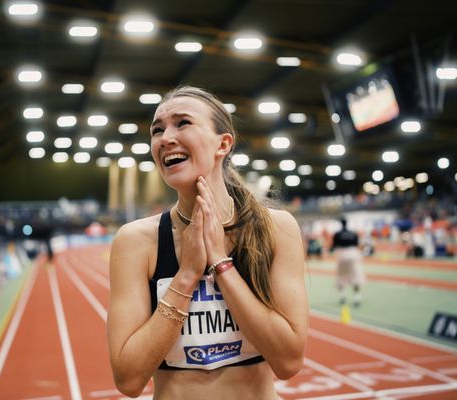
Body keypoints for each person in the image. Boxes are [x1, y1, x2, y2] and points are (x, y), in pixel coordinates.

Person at [107, 86, 309, 399]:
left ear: (223, 144)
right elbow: (129, 380)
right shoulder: (136, 241)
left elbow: (288, 362)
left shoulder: (276, 229)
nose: (165, 138)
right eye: (157, 130)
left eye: (182, 123)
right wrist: (186, 276)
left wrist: (221, 265)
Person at [331, 217, 365, 306]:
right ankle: (357, 297)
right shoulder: (353, 233)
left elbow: (334, 246)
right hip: (353, 253)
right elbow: (357, 244)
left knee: (340, 276)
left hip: (342, 254)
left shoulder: (337, 234)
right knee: (356, 276)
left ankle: (342, 296)